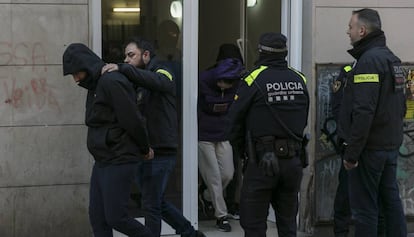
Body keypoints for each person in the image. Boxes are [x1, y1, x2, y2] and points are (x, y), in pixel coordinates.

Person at [101, 37, 205, 237]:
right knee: (155, 200)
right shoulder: (139, 78)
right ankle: (190, 233)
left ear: (146, 55)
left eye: (131, 55)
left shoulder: (161, 69)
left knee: (150, 203)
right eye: (125, 57)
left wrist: (123, 68)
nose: (127, 60)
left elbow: (161, 82)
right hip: (146, 150)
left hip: (161, 151)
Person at [62, 43, 155, 237]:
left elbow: (132, 119)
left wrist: (144, 148)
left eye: (76, 73)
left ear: (85, 66)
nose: (75, 79)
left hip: (120, 158)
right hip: (103, 159)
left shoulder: (111, 82)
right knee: (98, 217)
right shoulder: (94, 85)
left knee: (116, 217)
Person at [228, 32, 309, 237]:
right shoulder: (299, 79)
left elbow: (233, 123)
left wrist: (243, 153)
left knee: (253, 224)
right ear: (285, 53)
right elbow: (303, 118)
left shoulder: (253, 79)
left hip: (261, 162)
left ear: (261, 52)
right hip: (293, 161)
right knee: (288, 223)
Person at [338, 8, 407, 237]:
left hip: (370, 150)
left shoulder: (368, 62)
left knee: (365, 209)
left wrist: (352, 154)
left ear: (362, 30)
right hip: (389, 147)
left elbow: (364, 111)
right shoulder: (392, 59)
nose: (347, 31)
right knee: (391, 203)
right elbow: (401, 106)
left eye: (350, 27)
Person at [197, 43, 245, 232]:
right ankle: (221, 215)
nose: (225, 86)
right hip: (204, 135)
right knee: (215, 177)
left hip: (223, 134)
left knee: (228, 174)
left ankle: (207, 195)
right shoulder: (204, 79)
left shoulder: (236, 82)